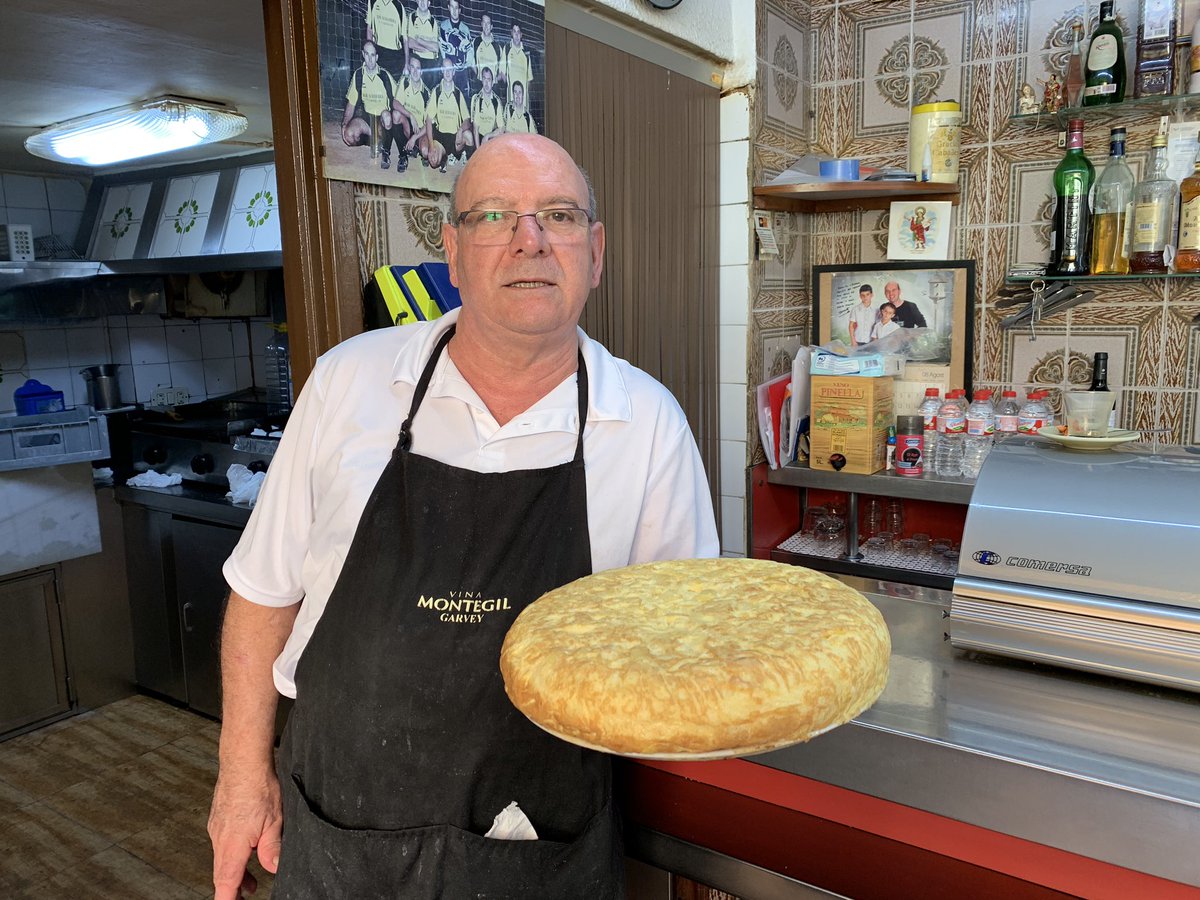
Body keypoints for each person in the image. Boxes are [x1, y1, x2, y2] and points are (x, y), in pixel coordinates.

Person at [207, 134, 719, 899]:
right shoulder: (349, 383)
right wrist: (242, 776)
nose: (530, 240)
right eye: (493, 216)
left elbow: (677, 657)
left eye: (559, 214)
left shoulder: (646, 423)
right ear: (451, 251)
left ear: (596, 251)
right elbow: (262, 595)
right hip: (340, 829)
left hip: (538, 842)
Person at [341, 40, 402, 171]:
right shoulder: (358, 74)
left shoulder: (385, 75)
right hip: (366, 119)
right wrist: (344, 124)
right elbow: (351, 104)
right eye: (367, 54)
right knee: (349, 134)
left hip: (382, 119)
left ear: (377, 57)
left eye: (373, 55)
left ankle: (382, 145)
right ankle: (373, 141)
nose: (370, 59)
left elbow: (399, 99)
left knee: (386, 116)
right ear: (363, 54)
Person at [425, 57, 473, 170]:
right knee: (433, 161)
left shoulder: (458, 93)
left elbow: (467, 120)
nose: (447, 72)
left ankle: (468, 162)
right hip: (440, 137)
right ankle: (444, 157)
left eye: (450, 69)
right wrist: (431, 146)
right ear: (442, 70)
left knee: (469, 136)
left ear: (454, 72)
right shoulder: (436, 92)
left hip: (455, 138)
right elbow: (428, 120)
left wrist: (460, 130)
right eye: (445, 69)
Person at [395, 55, 431, 166]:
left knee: (425, 152)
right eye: (412, 67)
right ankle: (403, 154)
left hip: (419, 131)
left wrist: (415, 137)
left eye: (418, 68)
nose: (415, 71)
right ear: (409, 69)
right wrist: (410, 115)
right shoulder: (405, 82)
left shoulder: (427, 94)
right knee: (396, 115)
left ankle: (416, 147)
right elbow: (395, 103)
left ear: (422, 72)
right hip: (408, 125)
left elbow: (428, 124)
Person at [438, 0, 473, 97]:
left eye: (456, 8)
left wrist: (466, 65)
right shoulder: (443, 26)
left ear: (460, 10)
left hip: (462, 72)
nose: (454, 10)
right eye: (452, 7)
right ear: (448, 7)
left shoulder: (465, 29)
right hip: (449, 71)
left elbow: (470, 52)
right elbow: (442, 50)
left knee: (463, 99)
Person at [365, 0, 406, 81]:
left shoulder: (399, 6)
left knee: (393, 88)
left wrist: (406, 63)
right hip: (378, 52)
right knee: (377, 84)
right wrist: (369, 52)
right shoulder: (373, 2)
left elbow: (405, 38)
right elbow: (369, 29)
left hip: (394, 55)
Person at [403, 0, 439, 88]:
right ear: (417, 2)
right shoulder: (412, 17)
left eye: (425, 0)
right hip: (417, 62)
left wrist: (419, 40)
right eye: (420, 0)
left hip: (431, 63)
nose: (423, 2)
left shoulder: (434, 21)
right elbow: (410, 43)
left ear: (429, 3)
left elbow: (436, 48)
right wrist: (427, 48)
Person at [470, 66, 504, 149]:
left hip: (490, 137)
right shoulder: (476, 99)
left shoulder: (497, 101)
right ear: (481, 81)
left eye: (489, 80)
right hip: (479, 138)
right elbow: (475, 130)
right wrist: (478, 151)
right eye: (484, 79)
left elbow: (502, 128)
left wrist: (488, 135)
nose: (486, 83)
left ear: (492, 82)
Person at [502, 22, 534, 104]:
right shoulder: (506, 49)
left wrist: (525, 94)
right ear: (511, 33)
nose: (516, 35)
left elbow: (529, 79)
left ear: (521, 34)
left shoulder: (526, 52)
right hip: (511, 100)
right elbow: (502, 74)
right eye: (514, 32)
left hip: (523, 101)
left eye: (518, 32)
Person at [471, 13, 503, 96]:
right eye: (484, 23)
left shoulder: (497, 47)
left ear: (491, 26)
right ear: (481, 24)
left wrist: (494, 81)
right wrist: (479, 78)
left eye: (488, 23)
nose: (486, 26)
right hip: (479, 85)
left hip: (493, 87)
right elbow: (471, 62)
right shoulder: (475, 42)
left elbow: (501, 70)